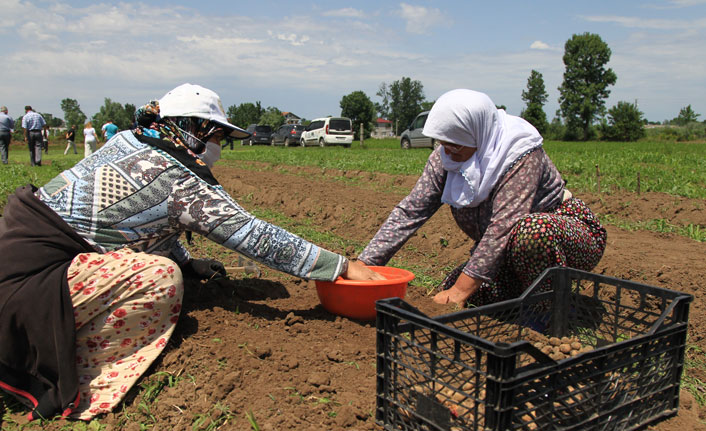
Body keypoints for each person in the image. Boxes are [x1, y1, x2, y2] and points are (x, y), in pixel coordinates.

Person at [0, 83, 383, 421]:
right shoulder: (179, 177)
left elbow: (142, 226)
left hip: (15, 254)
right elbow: (251, 234)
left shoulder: (129, 141)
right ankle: (83, 378)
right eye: (218, 137)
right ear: (196, 130)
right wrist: (340, 266)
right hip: (33, 286)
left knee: (168, 264)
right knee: (159, 277)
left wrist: (189, 261)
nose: (219, 148)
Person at [358, 89, 607, 307]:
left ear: (478, 133)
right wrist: (364, 264)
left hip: (565, 238)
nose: (448, 151)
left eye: (456, 144)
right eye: (443, 143)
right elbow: (411, 211)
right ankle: (521, 295)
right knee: (465, 293)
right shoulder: (445, 158)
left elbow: (504, 225)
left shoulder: (519, 153)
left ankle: (547, 311)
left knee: (533, 231)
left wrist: (461, 290)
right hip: (507, 251)